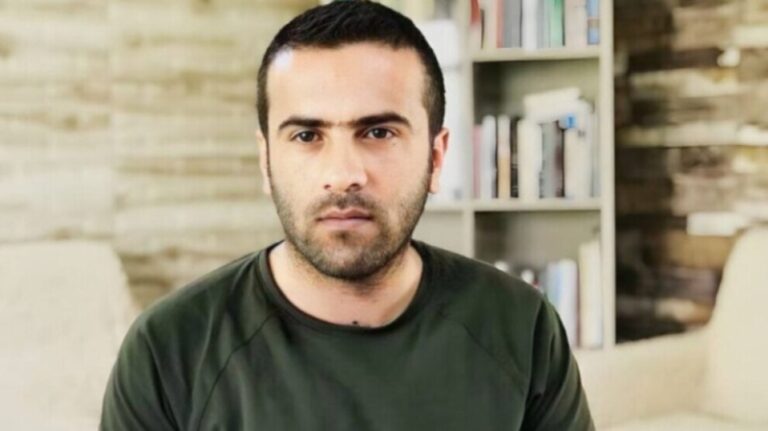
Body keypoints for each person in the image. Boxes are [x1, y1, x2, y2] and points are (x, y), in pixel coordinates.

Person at [100, 1, 594, 430]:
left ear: (436, 157)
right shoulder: (169, 350)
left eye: (378, 133)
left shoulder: (521, 328)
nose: (342, 175)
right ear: (266, 160)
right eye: (307, 136)